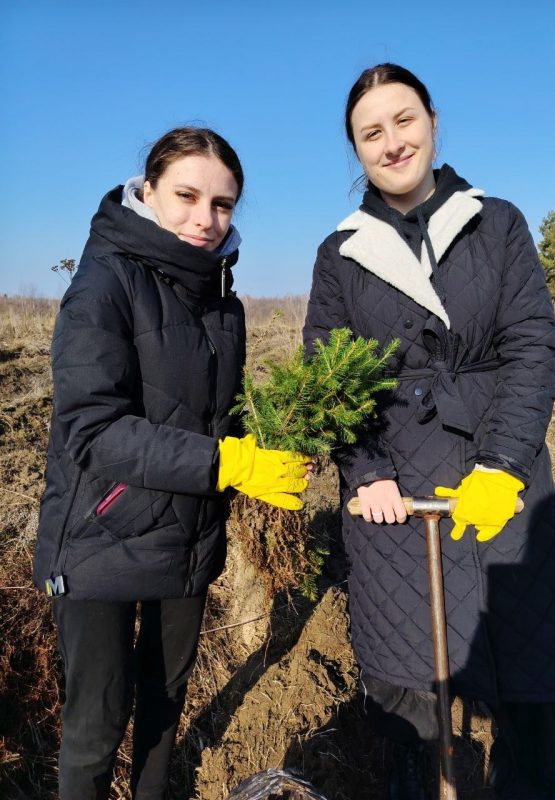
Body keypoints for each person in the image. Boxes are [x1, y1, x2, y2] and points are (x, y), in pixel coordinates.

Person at [303, 65, 555, 800]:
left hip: (504, 470)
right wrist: (365, 473)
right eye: (372, 133)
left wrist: (501, 462)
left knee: (534, 674)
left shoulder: (496, 222)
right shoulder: (341, 252)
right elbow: (328, 378)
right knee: (413, 693)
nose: (392, 142)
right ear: (356, 150)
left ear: (432, 121)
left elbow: (533, 344)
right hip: (398, 497)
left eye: (404, 121)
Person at [33, 126, 311, 800]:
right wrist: (227, 463)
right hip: (101, 538)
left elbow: (213, 418)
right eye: (187, 195)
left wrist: (270, 446)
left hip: (186, 538)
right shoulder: (104, 285)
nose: (204, 219)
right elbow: (92, 431)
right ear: (147, 190)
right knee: (96, 727)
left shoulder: (222, 302)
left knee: (164, 712)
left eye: (222, 204)